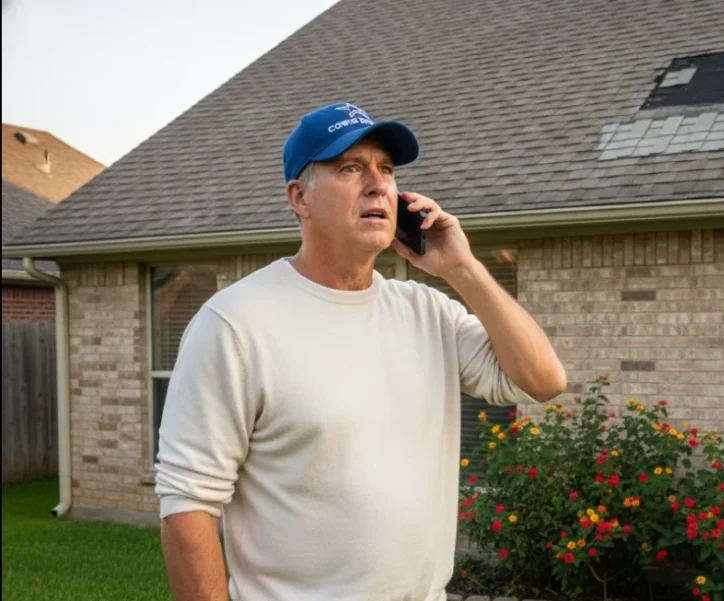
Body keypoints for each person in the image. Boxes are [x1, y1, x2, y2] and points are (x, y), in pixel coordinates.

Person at [155, 102, 567, 601]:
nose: (377, 185)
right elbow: (187, 505)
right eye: (350, 168)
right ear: (299, 197)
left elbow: (543, 381)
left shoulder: (428, 312)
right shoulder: (235, 323)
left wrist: (463, 268)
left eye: (386, 170)